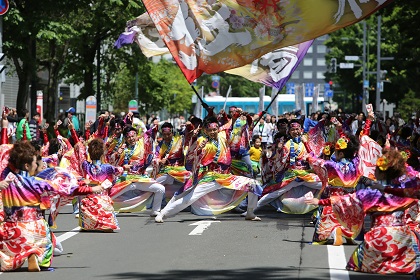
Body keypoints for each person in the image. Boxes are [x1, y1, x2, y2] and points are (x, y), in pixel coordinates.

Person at [305, 148, 419, 276]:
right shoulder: (407, 192)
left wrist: (319, 202)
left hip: (378, 237)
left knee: (354, 262)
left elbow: (344, 201)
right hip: (403, 238)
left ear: (380, 173)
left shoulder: (370, 194)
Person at [155, 116, 262, 223]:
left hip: (226, 176)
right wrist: (199, 148)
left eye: (215, 129)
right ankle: (163, 213)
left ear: (218, 128)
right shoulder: (203, 140)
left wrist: (234, 118)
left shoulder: (223, 136)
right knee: (189, 198)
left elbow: (232, 129)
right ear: (205, 130)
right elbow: (194, 154)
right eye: (210, 130)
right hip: (210, 177)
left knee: (253, 184)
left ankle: (250, 212)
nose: (212, 132)